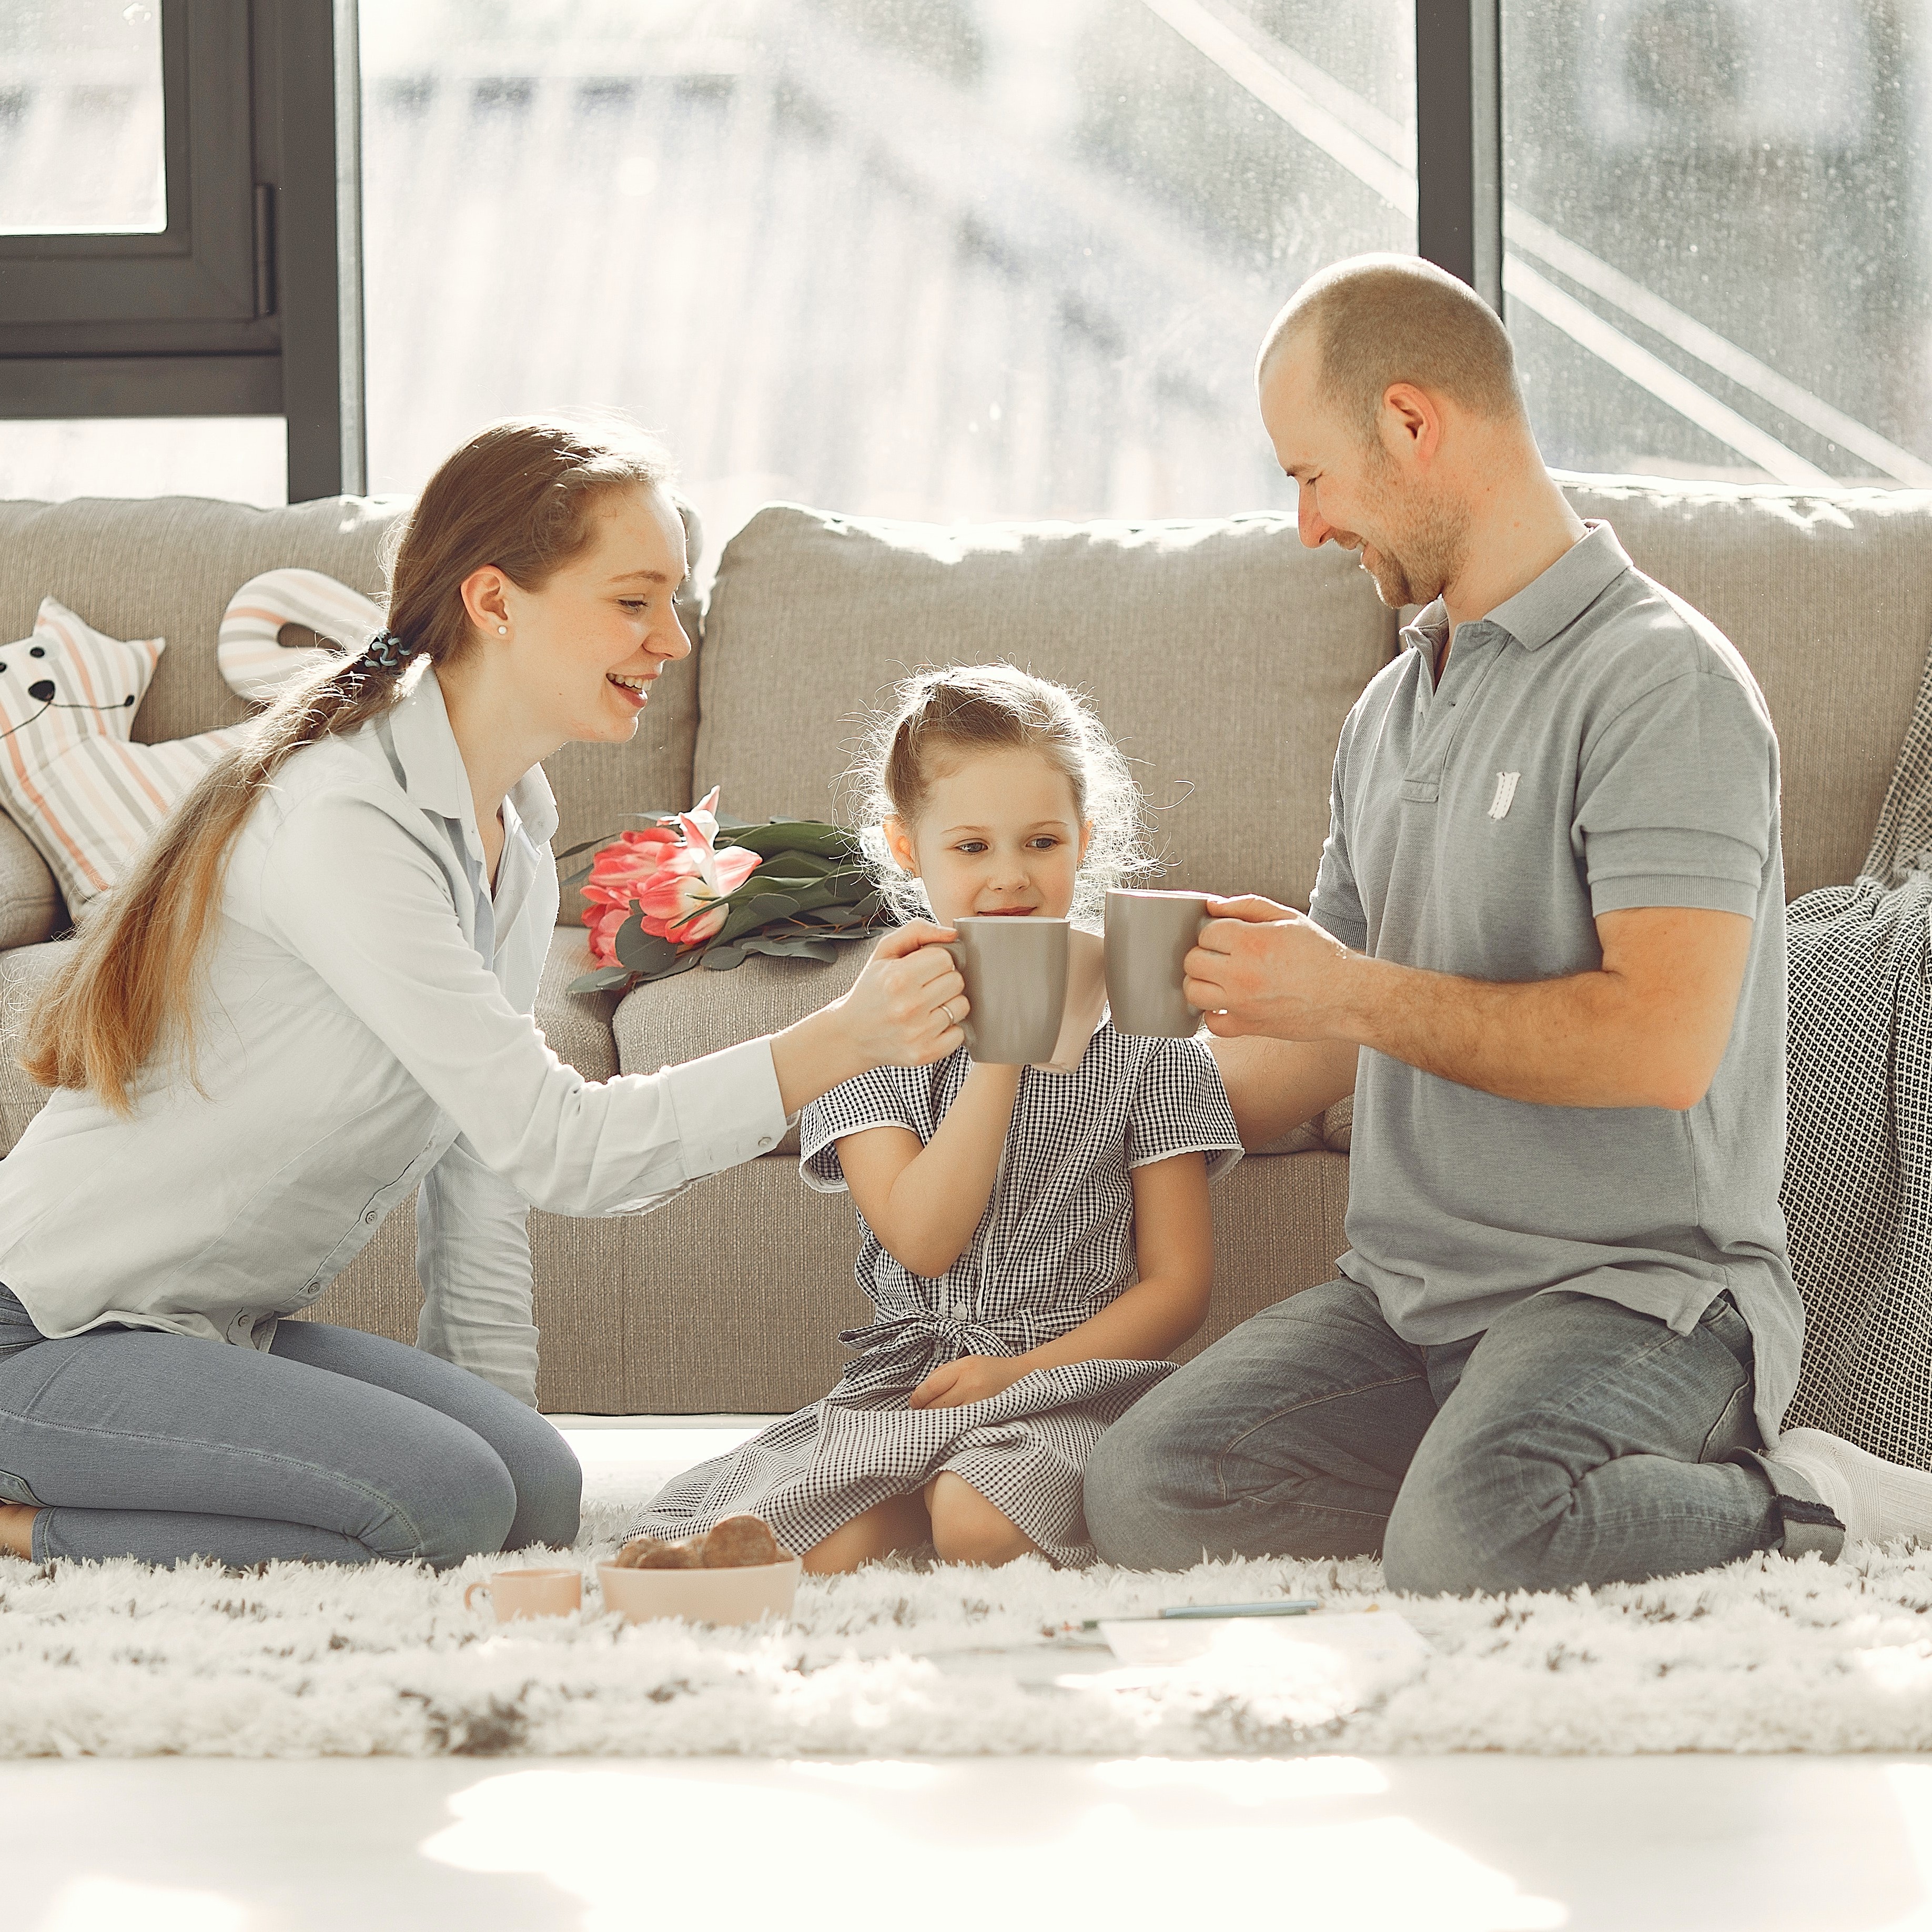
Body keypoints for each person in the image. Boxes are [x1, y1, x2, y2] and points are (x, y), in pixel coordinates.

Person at [1083, 254, 1932, 1592]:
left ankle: (1808, 1494)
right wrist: (1094, 1086)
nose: (1304, 525)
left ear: (1412, 425)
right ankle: (1498, 1476)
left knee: (1473, 1538)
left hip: (1638, 1295)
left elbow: (1655, 1045)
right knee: (1145, 1491)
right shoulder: (1390, 712)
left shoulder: (1662, 683)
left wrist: (1344, 989)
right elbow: (1313, 1057)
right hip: (1409, 1302)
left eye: (1310, 475)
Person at [0, 417, 969, 1571]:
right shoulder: (347, 819)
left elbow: (483, 1171)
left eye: (676, 603)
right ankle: (28, 1528)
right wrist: (842, 1040)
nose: (671, 638)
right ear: (495, 601)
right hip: (49, 1329)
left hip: (207, 1330)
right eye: (633, 602)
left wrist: (492, 1443)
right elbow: (562, 1147)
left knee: (531, 1490)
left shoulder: (513, 825)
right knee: (443, 1505)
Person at [631, 666, 1242, 1570]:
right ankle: (863, 1504)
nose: (1009, 877)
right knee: (803, 1536)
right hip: (912, 1381)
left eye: (1040, 842)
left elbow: (1177, 1287)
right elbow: (923, 1239)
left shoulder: (1148, 1043)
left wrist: (1019, 1374)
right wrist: (1004, 1044)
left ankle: (930, 1490)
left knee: (977, 1521)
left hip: (1071, 1381)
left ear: (1086, 839)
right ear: (906, 847)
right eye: (970, 847)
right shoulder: (869, 1033)